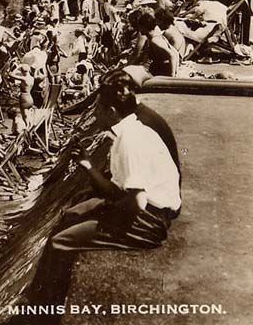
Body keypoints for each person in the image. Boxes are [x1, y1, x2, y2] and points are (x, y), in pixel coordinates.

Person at [49, 71, 181, 251]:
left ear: (111, 112)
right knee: (70, 215)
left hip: (149, 221)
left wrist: (104, 214)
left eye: (97, 109)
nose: (94, 113)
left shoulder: (130, 140)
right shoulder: (130, 130)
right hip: (145, 210)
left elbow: (138, 202)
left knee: (59, 241)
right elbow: (117, 189)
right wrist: (87, 165)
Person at [137, 10, 178, 77]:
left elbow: (172, 55)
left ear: (144, 27)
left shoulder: (155, 40)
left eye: (140, 27)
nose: (139, 30)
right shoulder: (158, 36)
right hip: (160, 68)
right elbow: (175, 52)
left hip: (162, 70)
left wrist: (172, 76)